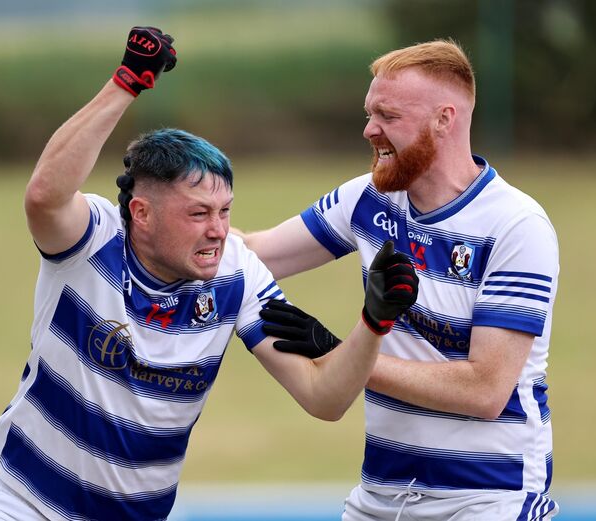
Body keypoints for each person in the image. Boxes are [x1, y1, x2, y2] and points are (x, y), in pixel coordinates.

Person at [0, 26, 419, 521]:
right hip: (19, 504)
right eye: (198, 214)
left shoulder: (237, 274)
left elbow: (324, 398)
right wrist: (127, 81)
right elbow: (44, 196)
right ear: (142, 212)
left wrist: (373, 324)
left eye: (225, 211)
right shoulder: (91, 238)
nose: (220, 231)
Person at [237, 39, 560, 520]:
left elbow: (484, 390)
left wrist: (339, 353)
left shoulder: (515, 226)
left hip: (489, 498)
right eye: (369, 114)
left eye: (387, 116)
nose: (369, 130)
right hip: (381, 496)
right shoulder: (368, 199)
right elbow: (256, 252)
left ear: (444, 120)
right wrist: (155, 223)